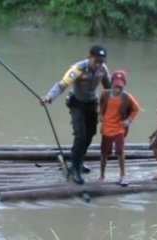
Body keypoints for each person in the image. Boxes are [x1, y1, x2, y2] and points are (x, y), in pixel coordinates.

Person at [40, 44, 111, 184]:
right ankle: (75, 167)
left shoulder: (103, 70)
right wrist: (49, 97)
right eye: (96, 60)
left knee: (90, 135)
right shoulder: (78, 69)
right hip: (77, 103)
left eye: (101, 61)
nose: (98, 64)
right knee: (81, 135)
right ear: (89, 57)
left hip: (91, 103)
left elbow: (109, 87)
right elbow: (62, 84)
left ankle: (79, 160)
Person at [99, 69, 141, 186]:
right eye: (116, 86)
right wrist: (100, 115)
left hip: (119, 128)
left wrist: (129, 120)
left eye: (120, 87)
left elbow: (136, 108)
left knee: (120, 151)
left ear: (124, 85)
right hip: (107, 128)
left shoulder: (127, 97)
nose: (117, 89)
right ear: (112, 83)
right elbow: (101, 105)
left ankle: (123, 175)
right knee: (104, 153)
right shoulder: (105, 94)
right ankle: (102, 175)